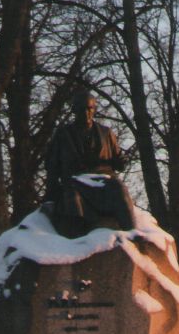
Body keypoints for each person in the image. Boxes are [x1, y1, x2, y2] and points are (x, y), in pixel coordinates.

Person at [44, 90, 135, 237]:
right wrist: (50, 196)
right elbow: (52, 166)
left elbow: (118, 162)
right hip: (76, 182)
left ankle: (133, 235)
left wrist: (121, 161)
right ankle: (78, 241)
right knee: (72, 198)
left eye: (89, 109)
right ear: (74, 110)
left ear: (94, 109)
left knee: (119, 189)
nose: (86, 113)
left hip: (103, 182)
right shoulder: (63, 134)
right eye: (81, 109)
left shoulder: (106, 133)